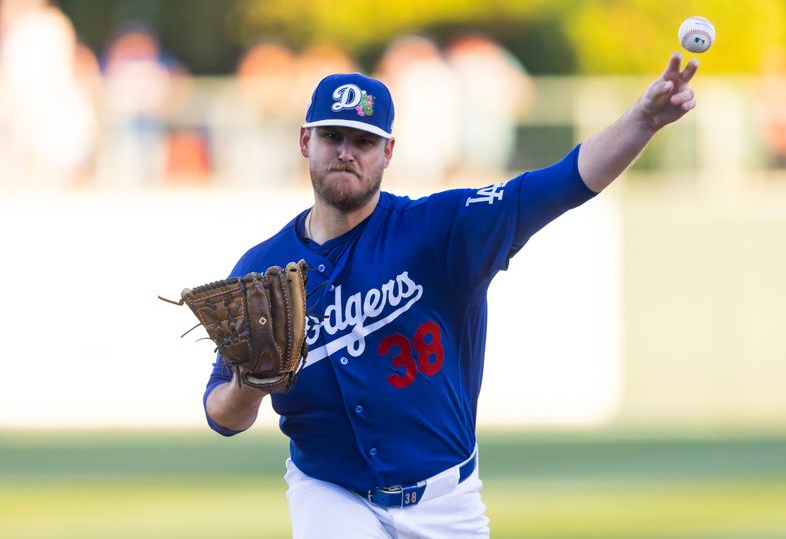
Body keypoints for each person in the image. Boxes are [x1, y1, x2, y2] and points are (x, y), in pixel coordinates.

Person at [203, 52, 699, 538]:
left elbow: (561, 183)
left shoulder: (440, 229)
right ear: (305, 141)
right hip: (329, 492)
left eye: (364, 140)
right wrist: (252, 384)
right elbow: (222, 417)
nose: (346, 152)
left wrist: (644, 121)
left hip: (445, 499)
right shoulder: (261, 272)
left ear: (389, 152)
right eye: (332, 136)